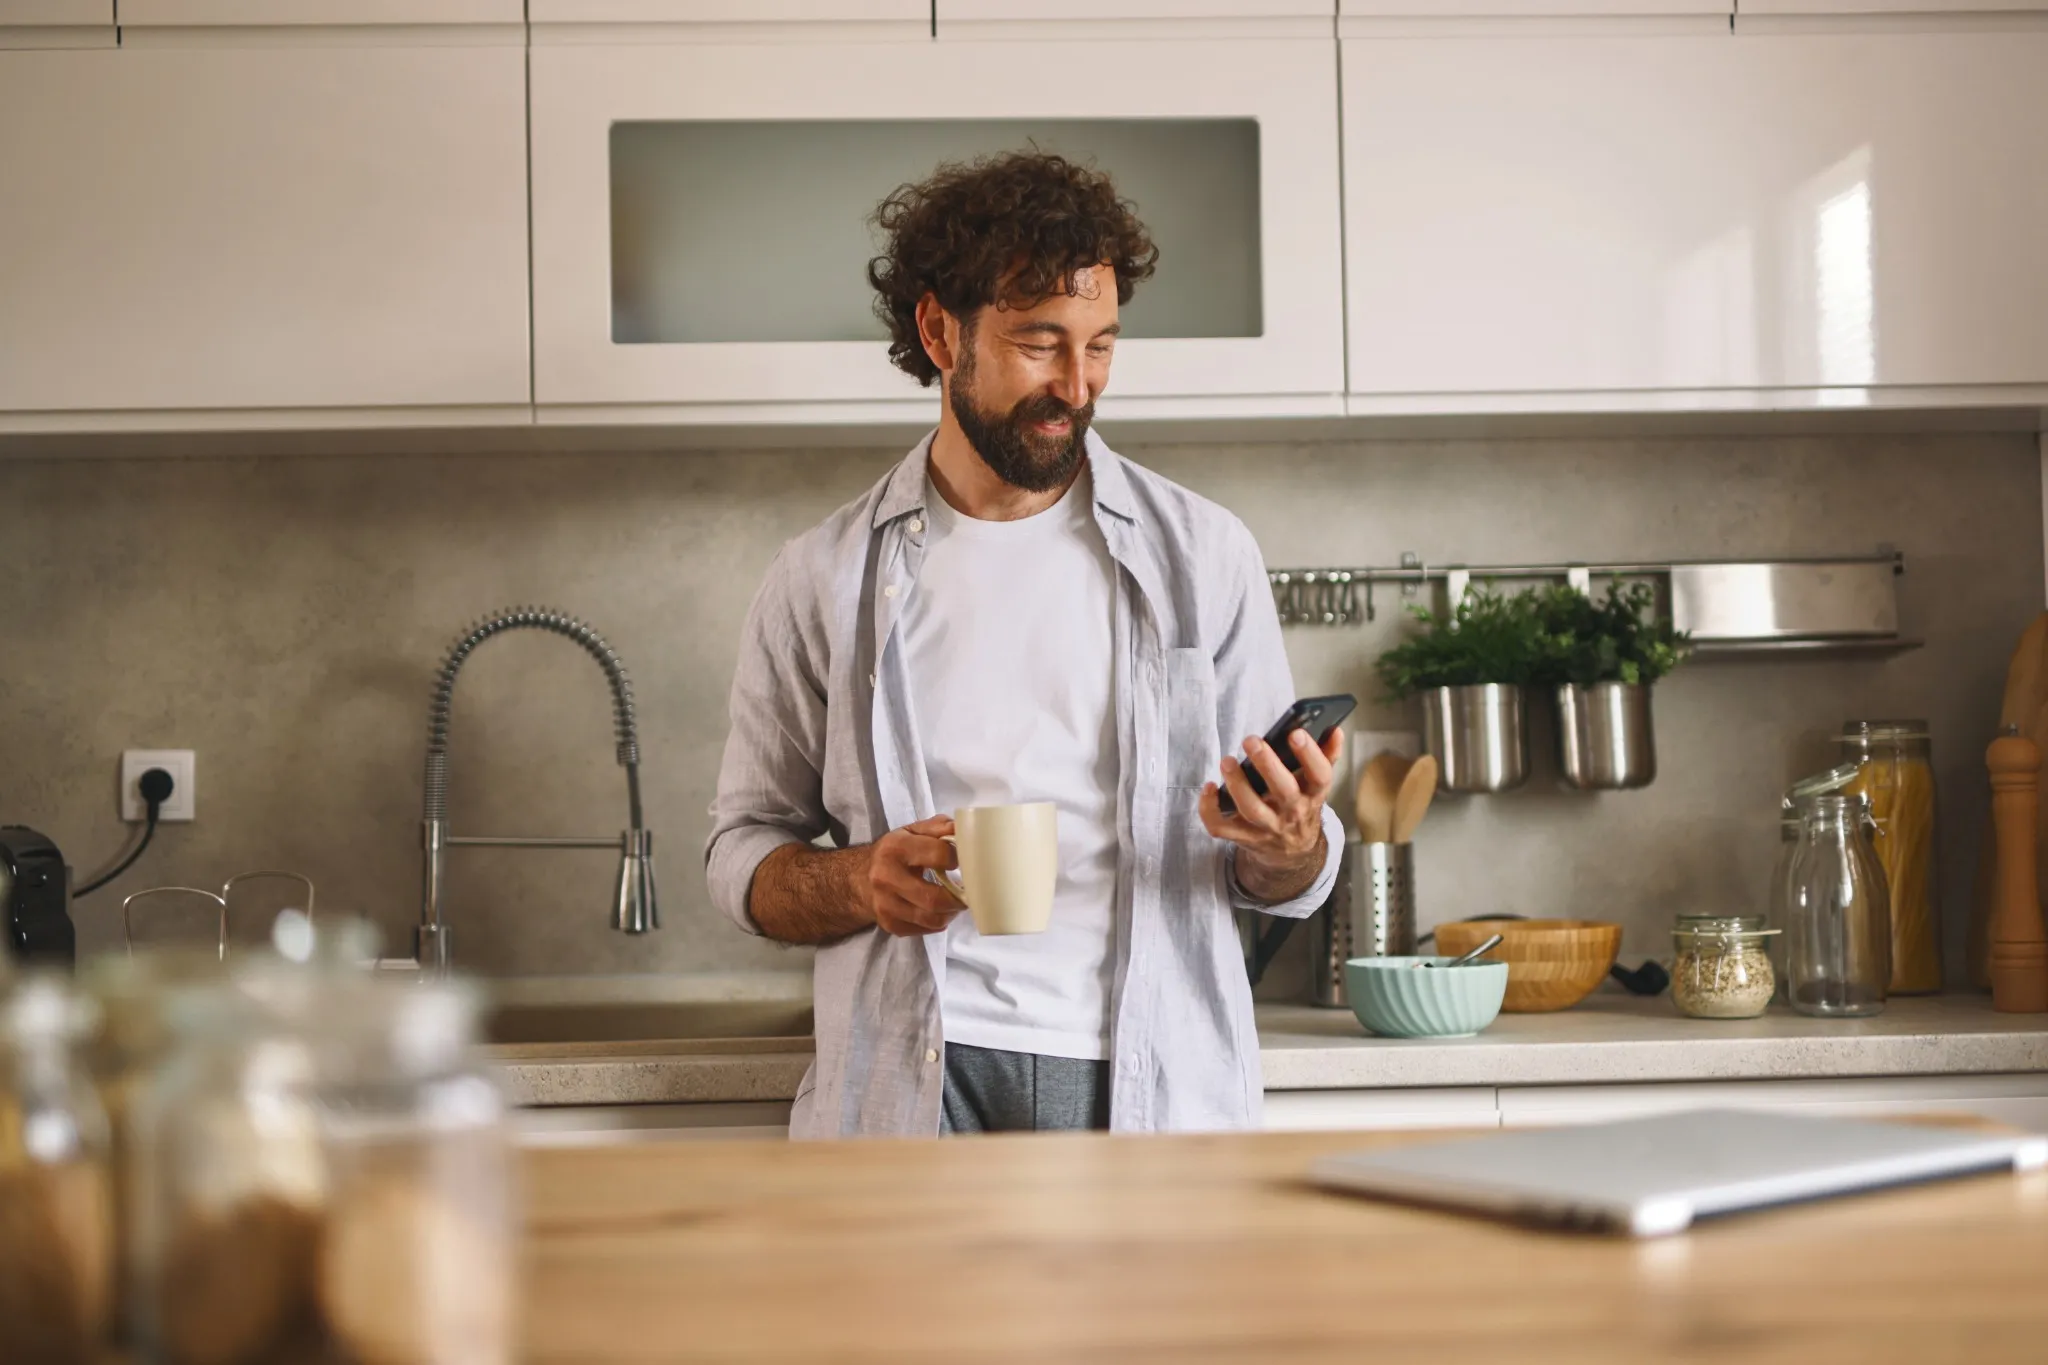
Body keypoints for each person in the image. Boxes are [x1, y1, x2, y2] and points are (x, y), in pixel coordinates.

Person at [706, 150, 1342, 1139]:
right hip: (907, 1082)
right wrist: (858, 879)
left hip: (1147, 1086)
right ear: (937, 331)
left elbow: (1279, 875)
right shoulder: (821, 576)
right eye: (1039, 342)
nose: (1075, 385)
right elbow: (740, 851)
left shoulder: (1203, 556)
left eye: (1099, 346)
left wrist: (1289, 842)